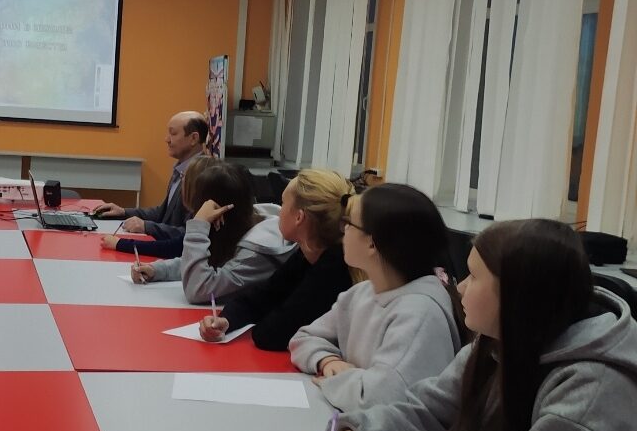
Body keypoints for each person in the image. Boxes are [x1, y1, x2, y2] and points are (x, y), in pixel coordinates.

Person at [304, 219, 637, 431]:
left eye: (474, 276)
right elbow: (428, 412)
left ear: (517, 293)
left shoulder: (593, 388)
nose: (460, 287)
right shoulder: (496, 345)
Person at [288, 183, 465, 411]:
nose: (343, 231)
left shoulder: (420, 314)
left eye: (348, 223)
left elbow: (378, 398)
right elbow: (304, 338)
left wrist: (336, 379)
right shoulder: (362, 292)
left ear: (372, 242)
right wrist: (328, 360)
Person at [199, 169, 357, 350]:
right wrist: (227, 320)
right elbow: (262, 297)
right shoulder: (305, 255)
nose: (279, 212)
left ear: (299, 217)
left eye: (283, 203)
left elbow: (271, 334)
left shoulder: (334, 269)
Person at [131, 162, 294, 304]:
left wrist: (199, 224)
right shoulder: (238, 228)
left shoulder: (257, 252)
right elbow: (212, 261)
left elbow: (199, 289)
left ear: (218, 212)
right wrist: (157, 270)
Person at [93, 111, 208, 239]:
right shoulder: (180, 169)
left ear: (193, 138)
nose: (167, 139)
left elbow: (190, 233)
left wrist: (147, 226)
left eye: (173, 133)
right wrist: (123, 212)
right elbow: (163, 213)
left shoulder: (203, 177)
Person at [100, 156, 219, 259]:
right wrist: (124, 212)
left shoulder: (207, 224)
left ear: (193, 186)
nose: (181, 181)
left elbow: (170, 248)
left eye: (184, 177)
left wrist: (120, 244)